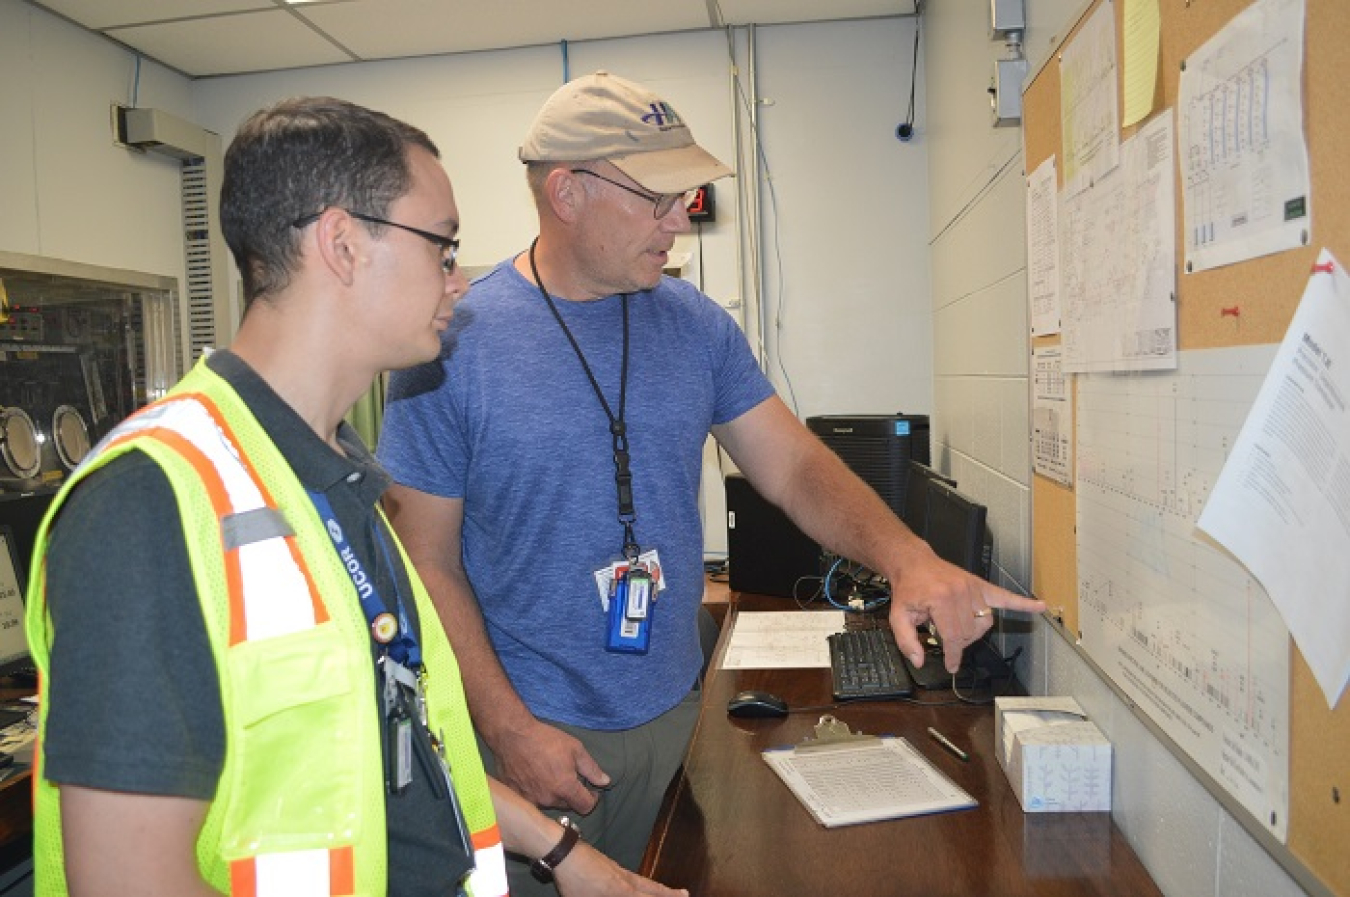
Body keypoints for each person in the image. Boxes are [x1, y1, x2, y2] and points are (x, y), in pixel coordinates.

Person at [377, 71, 1044, 892]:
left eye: (685, 196)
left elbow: (794, 466)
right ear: (568, 191)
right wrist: (506, 726)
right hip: (524, 738)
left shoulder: (693, 325)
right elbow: (425, 561)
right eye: (657, 197)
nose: (677, 222)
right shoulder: (452, 341)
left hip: (673, 719)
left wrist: (908, 557)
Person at [24, 95, 685, 897]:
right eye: (442, 246)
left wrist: (564, 856)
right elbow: (129, 882)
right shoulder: (151, 500)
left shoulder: (330, 482)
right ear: (341, 244)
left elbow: (393, 744)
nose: (462, 276)